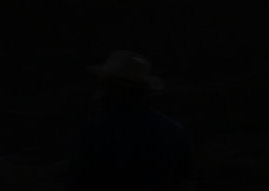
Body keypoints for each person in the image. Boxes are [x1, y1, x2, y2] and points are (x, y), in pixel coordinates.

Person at [68, 50, 195, 190]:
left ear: (115, 93)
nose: (96, 96)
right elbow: (185, 182)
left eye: (102, 88)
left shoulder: (92, 136)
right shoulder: (175, 131)